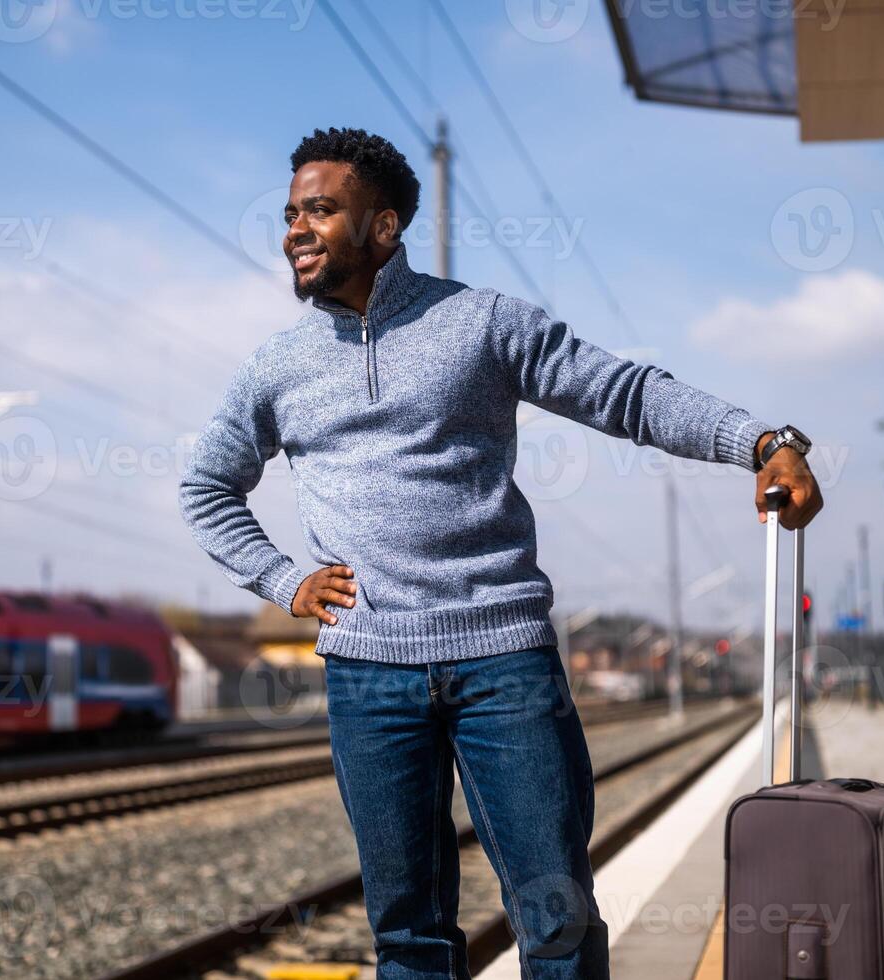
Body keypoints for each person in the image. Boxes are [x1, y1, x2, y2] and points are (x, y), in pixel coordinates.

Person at [179, 127, 822, 979]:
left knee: (554, 917)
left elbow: (624, 394)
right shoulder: (276, 367)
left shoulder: (480, 322)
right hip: (368, 678)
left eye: (321, 210)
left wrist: (760, 440)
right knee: (408, 935)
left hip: (502, 664)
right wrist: (285, 580)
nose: (296, 228)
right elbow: (205, 489)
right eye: (291, 213)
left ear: (384, 226)